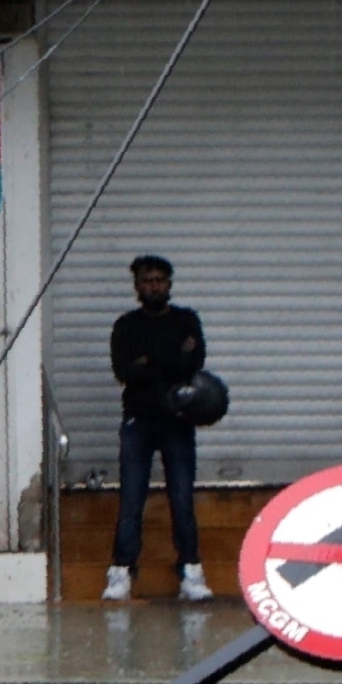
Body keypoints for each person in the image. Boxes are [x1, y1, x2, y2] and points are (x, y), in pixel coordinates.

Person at [107, 252, 209, 600]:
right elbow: (124, 371)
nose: (154, 286)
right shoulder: (126, 325)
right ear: (137, 286)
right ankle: (121, 572)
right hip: (138, 421)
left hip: (178, 420)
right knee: (131, 499)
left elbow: (194, 362)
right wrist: (170, 359)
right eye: (147, 280)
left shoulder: (186, 319)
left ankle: (191, 573)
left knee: (181, 498)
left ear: (169, 284)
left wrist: (148, 361)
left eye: (160, 280)